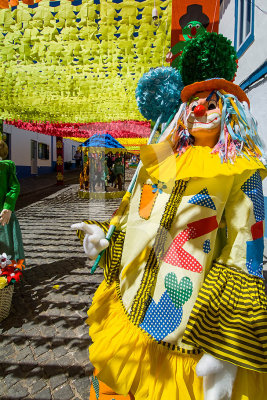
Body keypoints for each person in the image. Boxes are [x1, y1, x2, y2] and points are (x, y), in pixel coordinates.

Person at [72, 34, 267, 400]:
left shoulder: (242, 169)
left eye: (211, 103)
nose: (199, 110)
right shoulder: (163, 156)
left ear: (230, 111)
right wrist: (107, 236)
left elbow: (248, 248)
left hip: (190, 320)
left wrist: (226, 342)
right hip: (134, 293)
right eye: (193, 103)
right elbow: (137, 208)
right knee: (113, 383)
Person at [0, 140, 24, 261]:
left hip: (3, 213)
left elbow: (14, 187)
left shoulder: (7, 166)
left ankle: (7, 272)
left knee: (7, 243)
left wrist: (8, 207)